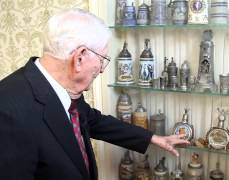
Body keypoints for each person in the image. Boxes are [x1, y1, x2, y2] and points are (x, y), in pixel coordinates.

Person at [0, 9, 189, 180]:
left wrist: (153, 138)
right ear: (80, 58)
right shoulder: (8, 111)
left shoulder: (61, 88)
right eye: (102, 60)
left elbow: (94, 121)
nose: (100, 70)